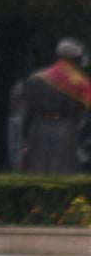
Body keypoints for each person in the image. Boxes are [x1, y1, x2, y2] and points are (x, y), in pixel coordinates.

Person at [22, 37, 91, 174]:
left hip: (38, 128)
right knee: (64, 171)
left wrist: (25, 137)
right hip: (66, 130)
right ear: (76, 59)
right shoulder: (81, 83)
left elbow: (28, 112)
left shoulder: (36, 79)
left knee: (37, 170)